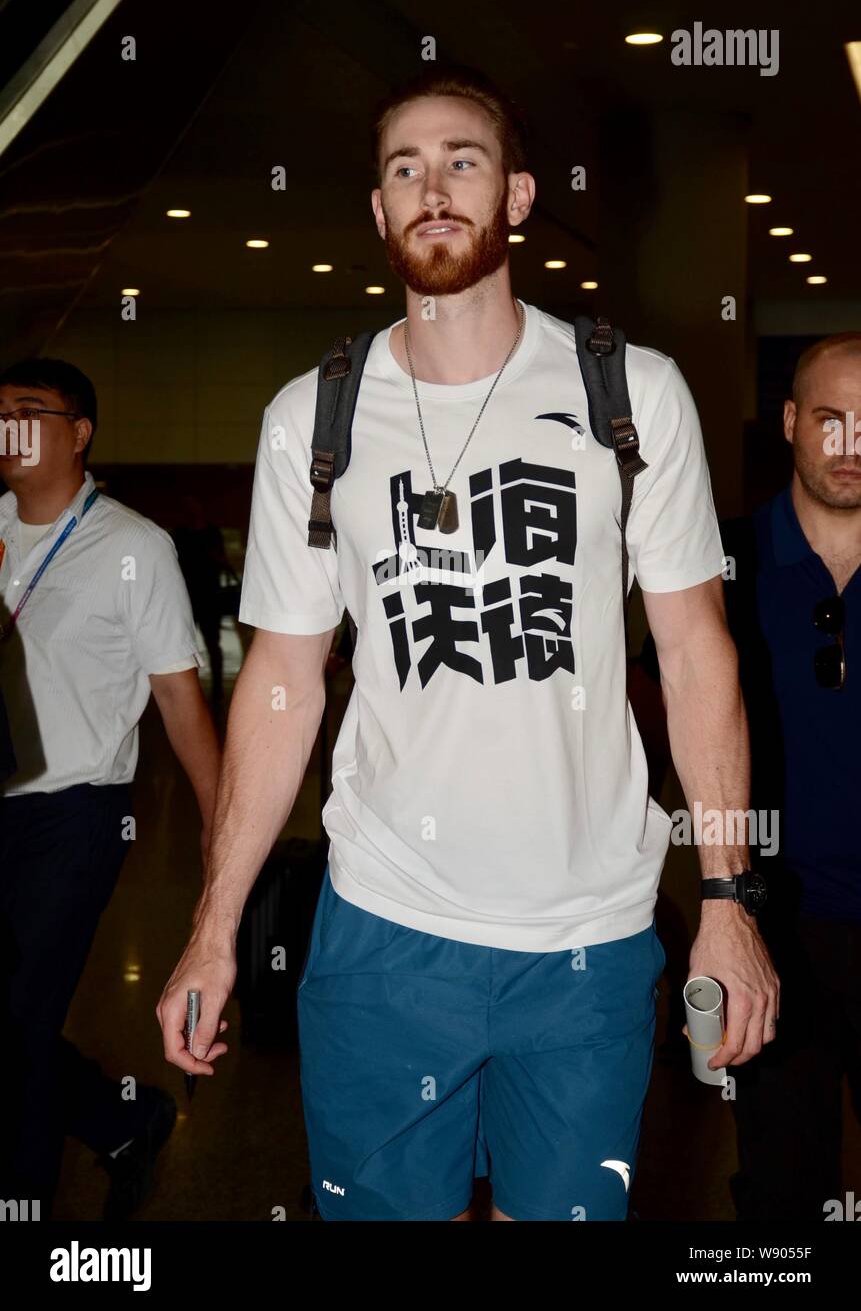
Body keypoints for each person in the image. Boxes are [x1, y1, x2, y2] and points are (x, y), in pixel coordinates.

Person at [157, 64, 778, 1222]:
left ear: (521, 196)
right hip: (388, 931)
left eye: (463, 161)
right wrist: (211, 928)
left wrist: (730, 902)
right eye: (404, 169)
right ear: (379, 213)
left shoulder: (628, 396)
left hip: (590, 935)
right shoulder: (315, 417)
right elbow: (285, 680)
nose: (432, 187)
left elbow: (697, 655)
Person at [643, 333, 861, 1221]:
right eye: (829, 421)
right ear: (788, 423)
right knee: (778, 1193)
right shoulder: (714, 569)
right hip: (771, 928)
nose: (849, 446)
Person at [0, 358, 221, 1219]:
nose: (7, 426)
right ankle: (123, 1117)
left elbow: (177, 695)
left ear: (79, 431)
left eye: (28, 411)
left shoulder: (133, 546)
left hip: (72, 817)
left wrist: (219, 826)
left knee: (17, 1029)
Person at [172, 495, 235, 705]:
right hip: (189, 596)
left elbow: (221, 558)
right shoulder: (181, 535)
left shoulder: (207, 533)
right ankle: (191, 689)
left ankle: (215, 688)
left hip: (207, 595)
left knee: (211, 643)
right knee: (187, 645)